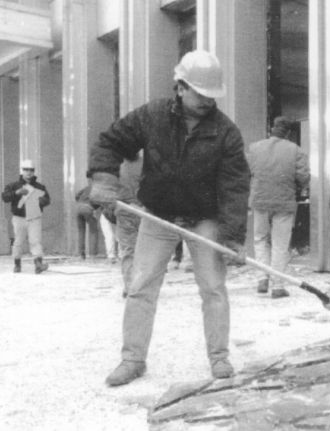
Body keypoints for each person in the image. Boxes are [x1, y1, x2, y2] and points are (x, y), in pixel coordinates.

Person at [88, 50, 250, 386]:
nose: (207, 101)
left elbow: (235, 186)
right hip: (158, 217)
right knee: (141, 287)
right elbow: (111, 141)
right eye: (201, 93)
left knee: (214, 289)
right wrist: (104, 177)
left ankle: (219, 358)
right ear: (180, 87)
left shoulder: (226, 132)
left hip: (204, 219)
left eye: (211, 95)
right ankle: (132, 359)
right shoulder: (152, 116)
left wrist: (232, 236)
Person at [245, 116, 310, 298]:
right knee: (280, 244)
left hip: (260, 200)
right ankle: (278, 285)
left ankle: (262, 278)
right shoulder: (295, 150)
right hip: (284, 202)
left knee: (260, 239)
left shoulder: (255, 148)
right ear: (288, 133)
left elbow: (247, 172)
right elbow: (304, 177)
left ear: (271, 129)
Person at [2, 159, 50, 274]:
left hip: (34, 217)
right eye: (26, 170)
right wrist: (16, 193)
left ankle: (38, 264)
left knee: (35, 241)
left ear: (34, 171)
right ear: (22, 171)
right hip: (19, 218)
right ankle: (17, 264)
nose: (29, 172)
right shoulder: (13, 185)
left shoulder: (40, 187)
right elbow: (4, 197)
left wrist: (40, 201)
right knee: (18, 241)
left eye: (31, 170)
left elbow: (47, 200)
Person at [75, 173, 99, 260]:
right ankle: (93, 255)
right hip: (88, 208)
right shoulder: (97, 189)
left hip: (78, 208)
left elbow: (77, 195)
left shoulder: (86, 188)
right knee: (93, 231)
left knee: (81, 231)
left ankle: (81, 255)